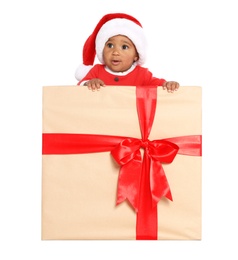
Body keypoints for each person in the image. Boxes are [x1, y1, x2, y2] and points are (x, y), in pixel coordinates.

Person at [75, 13, 180, 92]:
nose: (115, 52)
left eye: (124, 47)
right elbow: (78, 87)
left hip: (131, 120)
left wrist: (168, 84)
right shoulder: (96, 71)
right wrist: (88, 83)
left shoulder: (142, 75)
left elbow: (159, 86)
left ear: (136, 55)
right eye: (110, 45)